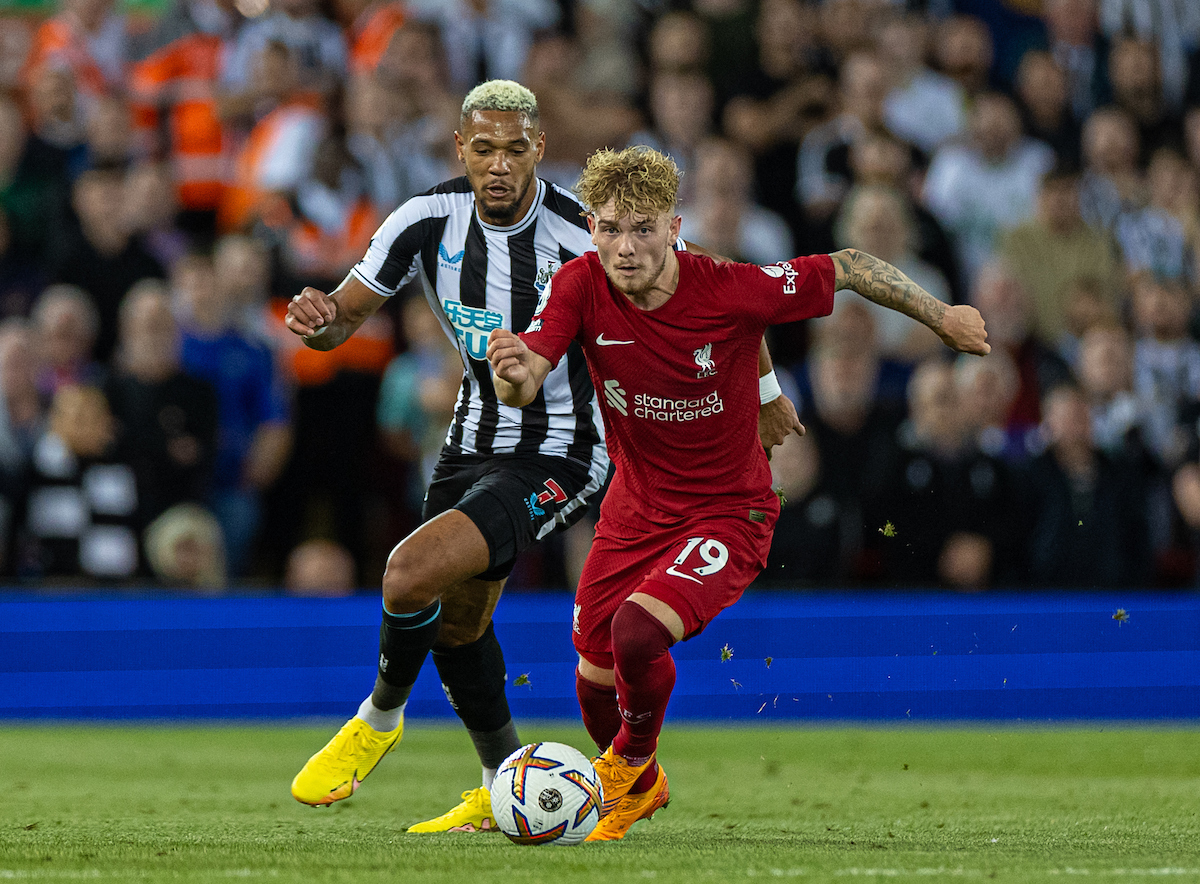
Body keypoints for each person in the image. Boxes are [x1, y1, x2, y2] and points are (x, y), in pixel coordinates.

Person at [284, 81, 804, 832]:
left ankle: (378, 718)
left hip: (566, 450)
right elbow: (344, 319)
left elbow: (718, 297)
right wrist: (320, 321)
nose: (499, 164)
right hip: (468, 441)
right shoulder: (422, 221)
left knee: (408, 572)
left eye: (516, 148)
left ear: (539, 150)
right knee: (459, 625)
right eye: (484, 148)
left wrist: (764, 394)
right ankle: (503, 787)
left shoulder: (583, 228)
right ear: (461, 149)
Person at [486, 145, 988, 840]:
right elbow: (528, 377)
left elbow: (849, 266)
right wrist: (509, 372)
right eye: (608, 228)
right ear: (591, 230)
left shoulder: (725, 283)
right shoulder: (579, 285)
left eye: (642, 228)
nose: (624, 247)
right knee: (594, 673)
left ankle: (627, 765)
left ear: (673, 227)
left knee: (636, 632)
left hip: (729, 512)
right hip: (634, 507)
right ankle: (642, 784)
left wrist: (942, 317)